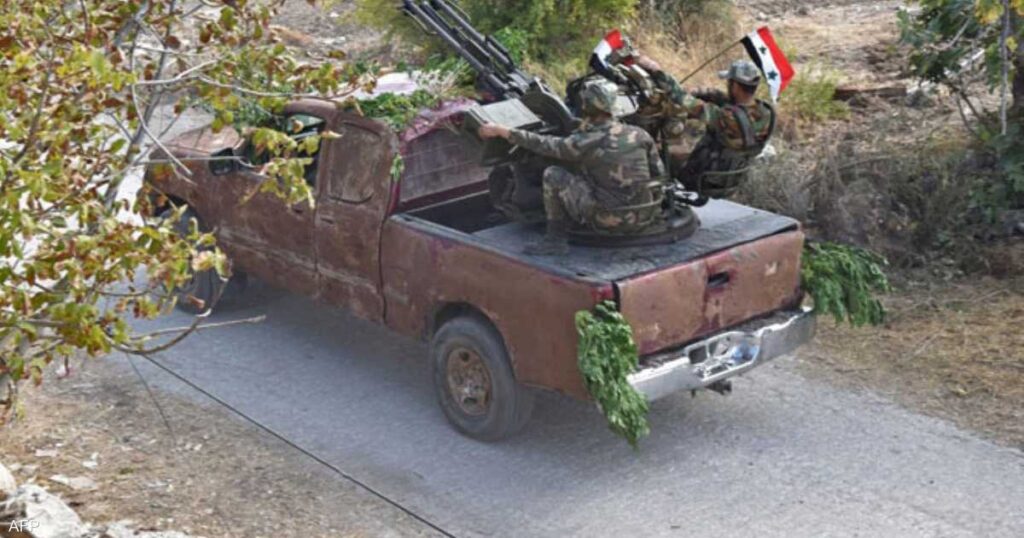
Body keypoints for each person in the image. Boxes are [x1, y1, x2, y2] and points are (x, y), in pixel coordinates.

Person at [478, 82, 666, 255]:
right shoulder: (640, 134)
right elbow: (658, 173)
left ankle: (555, 241)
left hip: (609, 219)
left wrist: (503, 131)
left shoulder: (585, 141)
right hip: (646, 214)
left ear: (586, 107)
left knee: (553, 174)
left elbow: (544, 144)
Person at [635, 57, 776, 199]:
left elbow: (682, 99)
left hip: (705, 177)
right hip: (731, 175)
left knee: (655, 151)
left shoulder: (727, 118)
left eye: (729, 82)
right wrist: (704, 92)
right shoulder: (766, 112)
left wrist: (657, 71)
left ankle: (650, 198)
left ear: (735, 86)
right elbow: (730, 104)